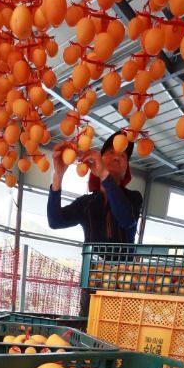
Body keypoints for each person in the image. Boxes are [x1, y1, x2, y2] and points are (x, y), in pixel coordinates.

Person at [47, 133, 142, 314]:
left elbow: (126, 218)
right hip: (92, 284)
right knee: (88, 328)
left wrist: (104, 175)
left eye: (123, 155)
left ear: (126, 169)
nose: (117, 156)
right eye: (111, 152)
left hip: (123, 286)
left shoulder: (133, 198)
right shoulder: (87, 203)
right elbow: (55, 220)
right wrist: (58, 175)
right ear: (100, 160)